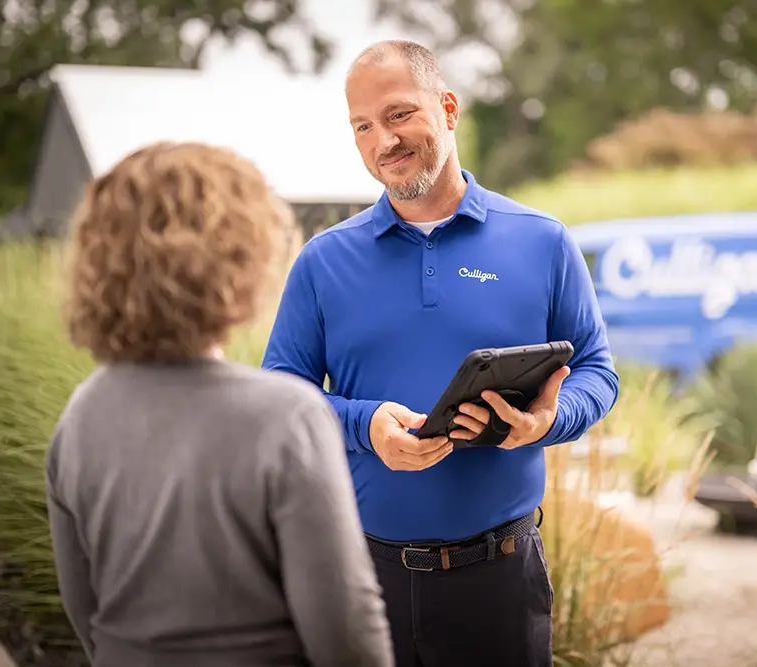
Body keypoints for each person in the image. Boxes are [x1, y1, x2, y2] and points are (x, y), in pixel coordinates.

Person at [261, 40, 620, 667]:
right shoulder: (323, 260)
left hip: (500, 581)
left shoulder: (542, 241)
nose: (383, 142)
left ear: (448, 109)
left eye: (399, 115)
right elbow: (280, 396)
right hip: (362, 575)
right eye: (363, 127)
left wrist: (545, 422)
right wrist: (363, 425)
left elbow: (597, 371)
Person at [45, 141, 394, 667]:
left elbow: (85, 612)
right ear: (239, 256)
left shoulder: (81, 414)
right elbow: (345, 631)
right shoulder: (286, 417)